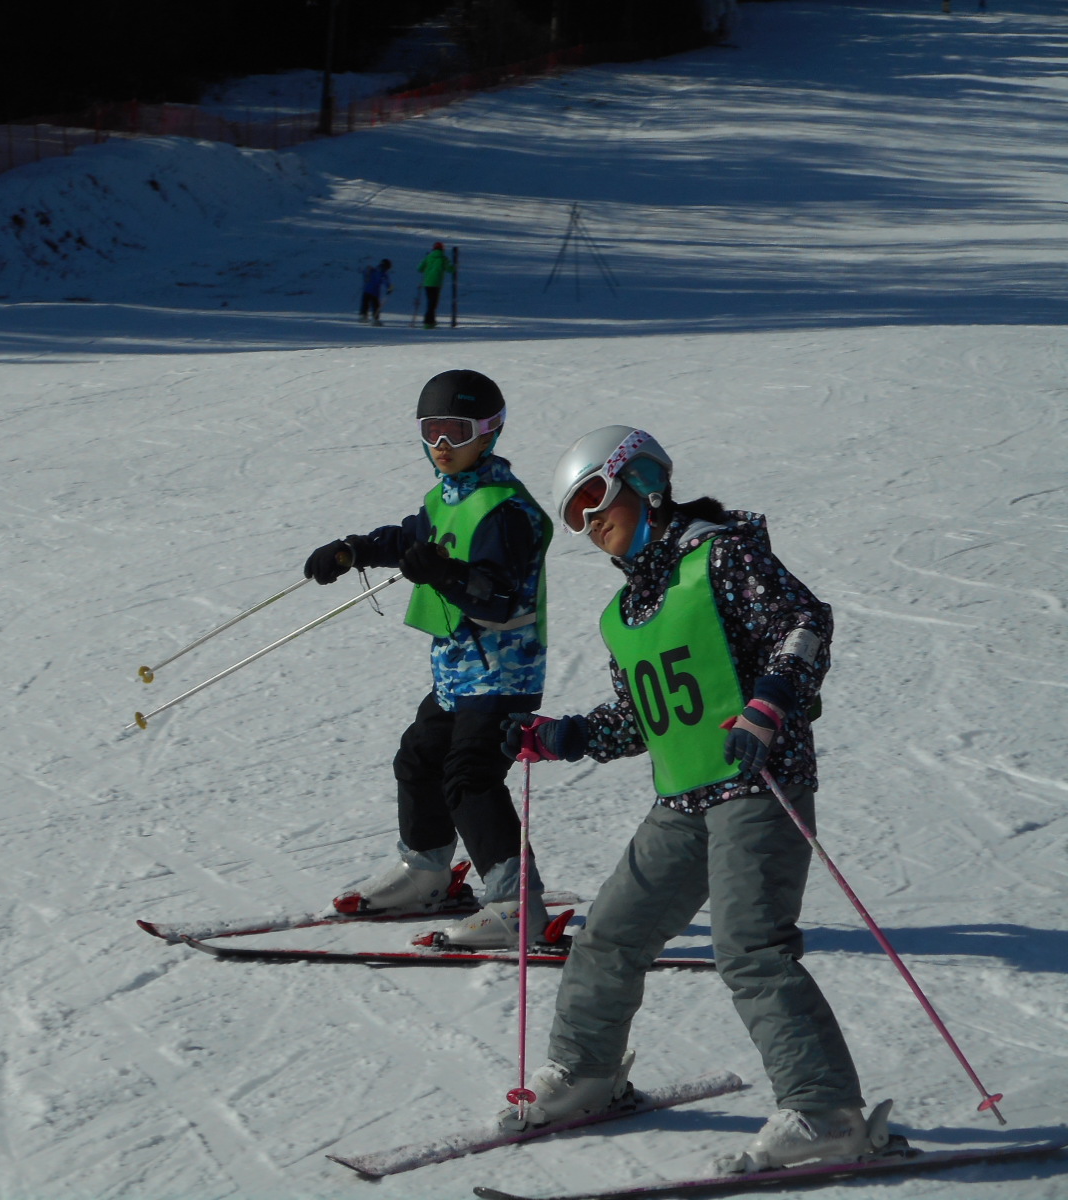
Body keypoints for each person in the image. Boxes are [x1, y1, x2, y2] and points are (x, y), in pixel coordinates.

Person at [500, 426, 880, 1173]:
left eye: (594, 498)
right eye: (572, 514)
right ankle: (587, 1074)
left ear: (642, 482)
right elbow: (644, 715)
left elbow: (803, 623)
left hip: (760, 783)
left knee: (750, 947)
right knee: (610, 934)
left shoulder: (723, 555)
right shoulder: (625, 612)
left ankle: (825, 1109)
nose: (588, 522)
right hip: (682, 796)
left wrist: (770, 703)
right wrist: (566, 735)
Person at [303, 370, 554, 949]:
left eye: (456, 431)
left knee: (470, 776)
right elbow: (412, 538)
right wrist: (354, 550)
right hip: (458, 672)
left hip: (501, 674)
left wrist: (443, 573)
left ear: (488, 432)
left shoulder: (505, 509)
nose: (442, 445)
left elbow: (497, 594)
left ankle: (520, 906)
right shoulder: (447, 496)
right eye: (432, 431)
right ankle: (427, 872)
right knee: (420, 758)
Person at [417, 241, 455, 328]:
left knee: (430, 302)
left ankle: (431, 321)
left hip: (427, 283)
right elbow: (451, 269)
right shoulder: (443, 258)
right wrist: (455, 267)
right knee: (433, 303)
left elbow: (419, 268)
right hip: (436, 283)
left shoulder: (429, 257)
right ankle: (428, 322)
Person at [359, 259, 393, 324]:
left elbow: (364, 273)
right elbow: (385, 281)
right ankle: (375, 319)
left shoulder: (373, 269)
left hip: (366, 289)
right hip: (374, 292)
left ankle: (363, 316)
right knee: (375, 305)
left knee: (365, 303)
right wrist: (389, 288)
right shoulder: (383, 272)